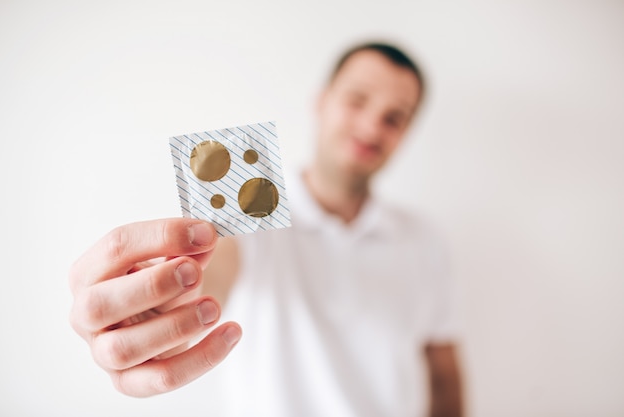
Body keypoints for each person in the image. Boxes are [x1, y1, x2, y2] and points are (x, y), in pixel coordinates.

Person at [69, 42, 464, 417]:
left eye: (394, 117)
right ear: (322, 101)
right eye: (357, 100)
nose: (371, 126)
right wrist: (160, 303)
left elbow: (443, 372)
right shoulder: (251, 222)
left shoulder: (424, 240)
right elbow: (212, 273)